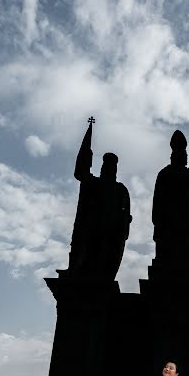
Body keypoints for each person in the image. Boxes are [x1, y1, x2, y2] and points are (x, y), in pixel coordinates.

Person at [68, 118, 132, 279]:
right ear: (102, 166)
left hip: (109, 237)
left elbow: (125, 217)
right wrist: (86, 152)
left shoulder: (120, 190)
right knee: (89, 261)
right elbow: (80, 173)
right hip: (91, 234)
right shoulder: (93, 183)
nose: (109, 168)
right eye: (106, 165)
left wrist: (124, 220)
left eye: (112, 166)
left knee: (104, 263)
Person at [151, 130, 189, 273]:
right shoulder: (164, 174)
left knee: (186, 253)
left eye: (183, 154)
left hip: (187, 223)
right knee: (168, 252)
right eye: (178, 153)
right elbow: (157, 199)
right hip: (168, 222)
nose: (181, 156)